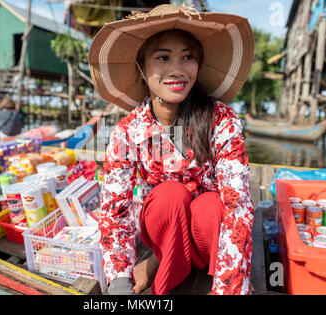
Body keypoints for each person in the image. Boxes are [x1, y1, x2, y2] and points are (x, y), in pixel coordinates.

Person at [88, 4, 255, 295]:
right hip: (165, 235)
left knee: (210, 206)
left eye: (188, 57)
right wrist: (118, 280)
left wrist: (231, 286)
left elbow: (237, 209)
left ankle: (205, 271)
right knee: (168, 195)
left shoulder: (223, 121)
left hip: (210, 242)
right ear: (143, 66)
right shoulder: (128, 131)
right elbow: (115, 211)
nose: (177, 70)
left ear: (198, 65)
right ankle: (163, 265)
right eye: (163, 57)